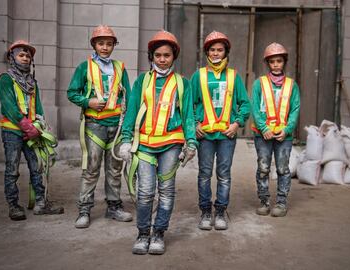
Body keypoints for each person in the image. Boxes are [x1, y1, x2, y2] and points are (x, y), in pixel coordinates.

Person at [119, 30, 197, 255]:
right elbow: (132, 111)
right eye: (158, 55)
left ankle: (159, 233)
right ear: (151, 56)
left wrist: (190, 142)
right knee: (144, 192)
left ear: (174, 56)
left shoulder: (183, 83)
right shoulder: (142, 81)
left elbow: (188, 116)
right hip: (144, 145)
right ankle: (143, 233)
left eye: (167, 55)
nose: (162, 59)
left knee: (166, 191)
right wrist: (126, 140)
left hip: (171, 145)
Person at [67, 25, 132, 229]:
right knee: (91, 169)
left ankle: (113, 207)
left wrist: (129, 126)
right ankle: (84, 209)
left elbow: (128, 97)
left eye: (109, 44)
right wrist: (89, 102)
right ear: (94, 45)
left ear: (114, 46)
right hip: (95, 126)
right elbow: (72, 92)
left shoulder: (120, 68)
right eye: (101, 43)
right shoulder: (84, 67)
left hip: (117, 126)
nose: (105, 47)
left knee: (114, 169)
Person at [0, 40, 64, 221]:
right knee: (12, 169)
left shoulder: (32, 82)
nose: (25, 58)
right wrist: (28, 127)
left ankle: (41, 203)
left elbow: (38, 108)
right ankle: (13, 206)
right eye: (21, 55)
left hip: (32, 133)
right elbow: (10, 107)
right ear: (12, 57)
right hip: (12, 131)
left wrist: (40, 127)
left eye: (28, 56)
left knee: (37, 166)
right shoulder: (6, 79)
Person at [190, 31, 250, 231]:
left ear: (226, 52)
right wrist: (195, 125)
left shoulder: (233, 76)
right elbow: (189, 104)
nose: (216, 53)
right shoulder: (198, 76)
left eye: (220, 50)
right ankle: (206, 211)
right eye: (212, 50)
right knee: (205, 173)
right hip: (205, 136)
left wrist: (236, 124)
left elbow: (245, 104)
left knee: (224, 174)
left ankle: (221, 211)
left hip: (226, 136)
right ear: (207, 52)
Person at [251, 42, 300, 217]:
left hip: (283, 136)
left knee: (282, 169)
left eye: (279, 61)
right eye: (272, 62)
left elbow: (295, 109)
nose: (276, 64)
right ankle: (264, 201)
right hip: (262, 135)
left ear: (284, 62)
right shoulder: (259, 84)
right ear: (268, 64)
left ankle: (281, 202)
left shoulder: (291, 85)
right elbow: (255, 108)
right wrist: (264, 128)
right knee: (263, 167)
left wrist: (287, 130)